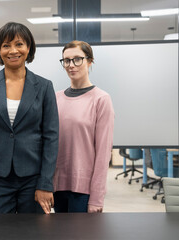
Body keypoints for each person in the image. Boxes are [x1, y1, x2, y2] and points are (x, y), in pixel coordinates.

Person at [0, 22, 59, 215]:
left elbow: (51, 138)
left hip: (33, 179)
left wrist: (45, 183)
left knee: (34, 233)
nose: (13, 51)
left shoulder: (44, 87)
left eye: (19, 44)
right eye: (6, 45)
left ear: (29, 48)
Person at [53, 40, 114, 213]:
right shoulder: (56, 98)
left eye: (77, 59)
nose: (71, 65)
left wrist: (96, 198)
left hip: (83, 190)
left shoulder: (101, 99)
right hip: (57, 187)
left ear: (89, 61)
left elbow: (103, 154)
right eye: (66, 60)